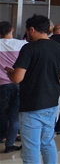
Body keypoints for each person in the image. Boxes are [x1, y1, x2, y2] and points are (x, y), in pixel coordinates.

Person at [5, 15, 60, 163]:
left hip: (32, 104)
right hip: (53, 102)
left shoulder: (29, 48)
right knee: (48, 143)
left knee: (31, 147)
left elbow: (17, 78)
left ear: (31, 29)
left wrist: (10, 72)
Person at [0, 21, 25, 153]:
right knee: (14, 115)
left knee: (2, 113)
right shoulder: (21, 44)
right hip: (17, 83)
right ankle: (10, 144)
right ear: (12, 29)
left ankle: (2, 136)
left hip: (1, 85)